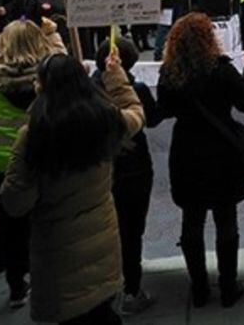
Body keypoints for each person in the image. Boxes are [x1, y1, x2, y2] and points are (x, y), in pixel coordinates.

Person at [0, 47, 144, 325]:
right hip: (102, 239)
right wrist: (116, 77)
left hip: (57, 249)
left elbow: (15, 202)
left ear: (42, 86)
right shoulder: (104, 119)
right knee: (102, 312)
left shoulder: (33, 136)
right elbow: (136, 114)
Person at [157, 13, 244, 308]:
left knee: (192, 221)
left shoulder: (169, 74)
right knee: (226, 219)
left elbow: (164, 109)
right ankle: (228, 286)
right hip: (221, 153)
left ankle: (200, 288)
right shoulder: (221, 70)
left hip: (186, 153)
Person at [0, 14, 59, 308]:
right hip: (36, 161)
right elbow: (67, 62)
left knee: (6, 216)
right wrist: (54, 36)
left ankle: (15, 280)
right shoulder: (48, 77)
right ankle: (43, 273)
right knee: (39, 218)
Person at [92, 38, 163, 315]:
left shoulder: (87, 89)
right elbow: (153, 118)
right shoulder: (137, 89)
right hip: (134, 170)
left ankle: (109, 287)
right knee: (132, 232)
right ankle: (132, 289)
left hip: (100, 172)